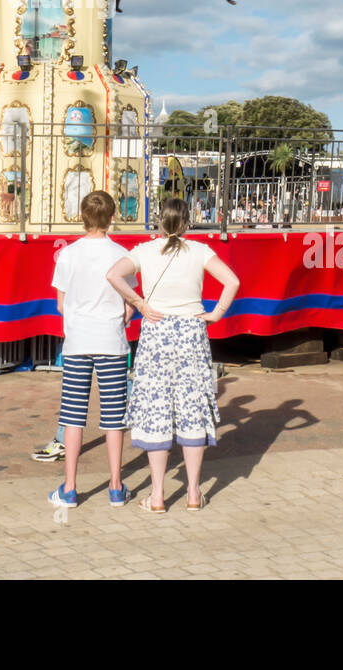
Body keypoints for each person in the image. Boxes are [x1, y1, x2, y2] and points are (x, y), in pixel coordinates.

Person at [107, 197, 240, 513]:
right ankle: (194, 493)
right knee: (193, 408)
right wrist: (216, 313)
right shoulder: (199, 251)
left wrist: (138, 304)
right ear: (186, 223)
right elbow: (232, 281)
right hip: (192, 333)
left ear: (159, 222)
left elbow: (113, 275)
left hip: (157, 331)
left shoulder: (144, 251)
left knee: (157, 409)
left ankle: (157, 496)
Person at [46, 191, 133, 510]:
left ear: (81, 217)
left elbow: (60, 303)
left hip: (79, 340)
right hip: (110, 340)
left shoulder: (68, 254)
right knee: (113, 416)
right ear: (112, 218)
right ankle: (115, 485)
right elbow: (129, 304)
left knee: (72, 414)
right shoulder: (122, 253)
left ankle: (69, 488)